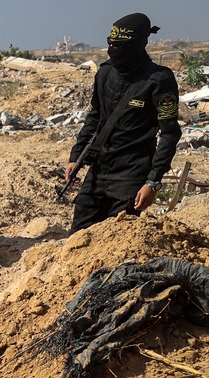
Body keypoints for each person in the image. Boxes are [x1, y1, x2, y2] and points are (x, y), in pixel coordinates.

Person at [67, 13, 181, 233]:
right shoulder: (105, 73)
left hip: (131, 175)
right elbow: (95, 116)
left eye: (120, 45)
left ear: (139, 44)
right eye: (111, 43)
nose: (113, 49)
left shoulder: (159, 80)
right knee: (78, 237)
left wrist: (152, 182)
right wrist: (76, 156)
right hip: (98, 171)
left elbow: (169, 134)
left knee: (116, 240)